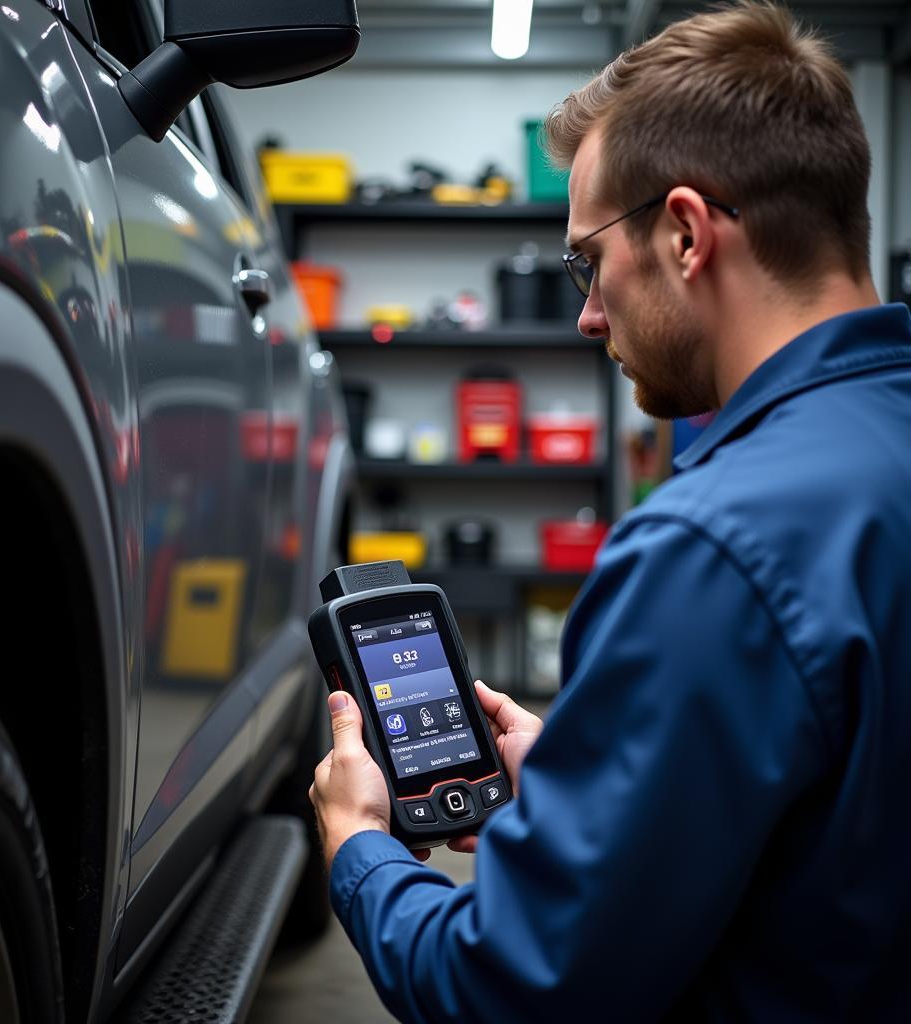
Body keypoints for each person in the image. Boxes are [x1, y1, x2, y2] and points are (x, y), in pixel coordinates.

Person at [309, 2, 911, 1019]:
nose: (587, 313)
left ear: (683, 233)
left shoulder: (710, 549)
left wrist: (359, 846)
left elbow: (504, 989)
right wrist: (609, 780)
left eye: (588, 262)